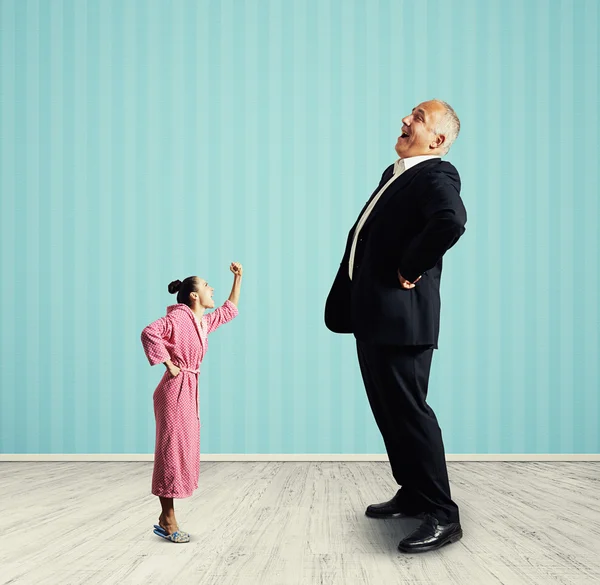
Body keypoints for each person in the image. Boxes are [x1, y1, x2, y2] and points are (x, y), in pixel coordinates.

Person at [325, 100, 467, 553]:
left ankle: (443, 515)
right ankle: (412, 491)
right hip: (373, 316)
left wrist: (412, 265)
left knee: (410, 414)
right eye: (410, 114)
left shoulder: (436, 174)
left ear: (438, 140)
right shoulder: (397, 174)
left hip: (401, 320)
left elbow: (451, 220)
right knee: (389, 414)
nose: (406, 120)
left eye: (418, 118)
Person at [141, 262, 243, 543]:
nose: (212, 289)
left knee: (183, 448)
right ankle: (169, 520)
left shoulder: (201, 322)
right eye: (207, 285)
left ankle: (166, 516)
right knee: (170, 451)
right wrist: (168, 365)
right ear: (194, 295)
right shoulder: (176, 320)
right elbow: (149, 332)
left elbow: (228, 310)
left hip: (188, 390)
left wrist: (238, 278)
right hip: (174, 389)